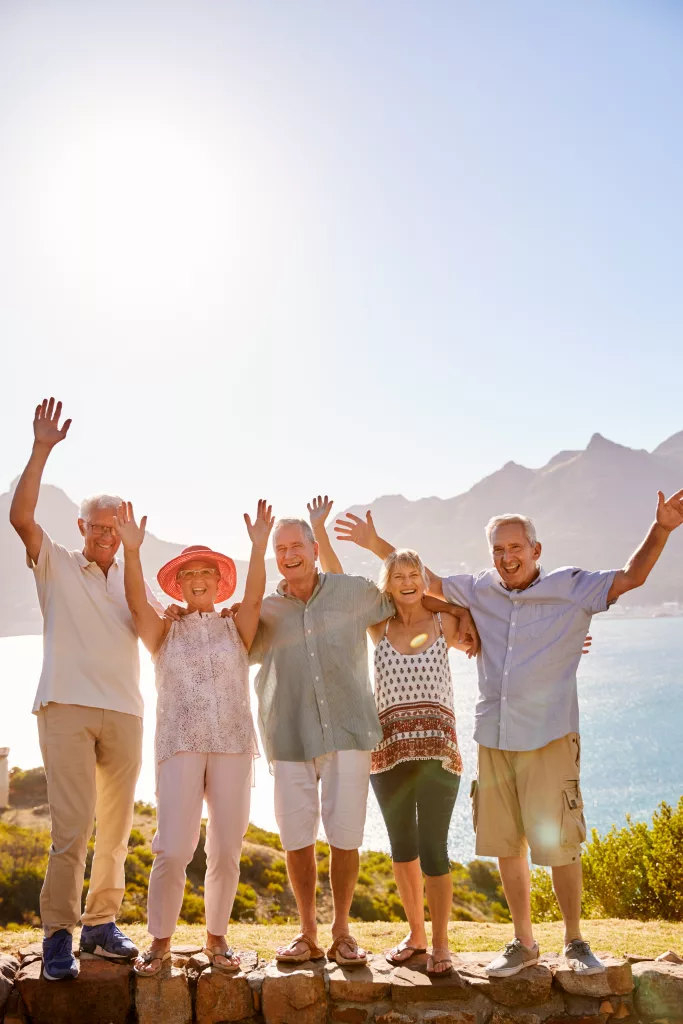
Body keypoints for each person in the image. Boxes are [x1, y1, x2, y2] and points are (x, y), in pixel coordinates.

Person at [335, 492, 683, 977]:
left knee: (562, 843)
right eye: (498, 549)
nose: (507, 557)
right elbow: (420, 583)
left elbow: (632, 577)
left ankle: (575, 941)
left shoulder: (572, 586)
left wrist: (662, 528)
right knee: (505, 844)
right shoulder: (479, 590)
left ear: (536, 550)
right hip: (493, 736)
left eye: (515, 547)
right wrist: (378, 546)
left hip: (549, 735)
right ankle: (523, 941)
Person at [249, 498, 475, 969]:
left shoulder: (350, 593)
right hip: (288, 737)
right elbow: (233, 639)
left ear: (314, 549)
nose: (290, 554)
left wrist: (459, 610)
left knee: (346, 836)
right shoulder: (265, 608)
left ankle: (342, 933)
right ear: (275, 555)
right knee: (296, 839)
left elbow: (406, 590)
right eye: (281, 547)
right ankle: (307, 933)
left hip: (351, 733)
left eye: (299, 545)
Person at [9, 399, 162, 981]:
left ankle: (101, 925)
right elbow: (21, 518)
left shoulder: (131, 580)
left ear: (124, 530)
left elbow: (157, 633)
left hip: (126, 712)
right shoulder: (55, 563)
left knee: (117, 830)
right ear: (82, 528)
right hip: (66, 706)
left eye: (114, 527)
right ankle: (57, 937)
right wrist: (42, 447)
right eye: (96, 527)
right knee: (71, 830)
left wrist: (137, 557)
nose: (104, 535)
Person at [114, 499, 272, 977]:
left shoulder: (235, 626)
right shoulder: (165, 631)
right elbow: (137, 603)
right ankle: (159, 940)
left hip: (233, 745)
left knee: (226, 849)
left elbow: (259, 598)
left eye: (207, 571)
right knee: (175, 847)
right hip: (179, 744)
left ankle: (217, 939)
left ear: (220, 582)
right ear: (179, 585)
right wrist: (133, 552)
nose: (198, 578)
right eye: (189, 573)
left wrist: (259, 548)